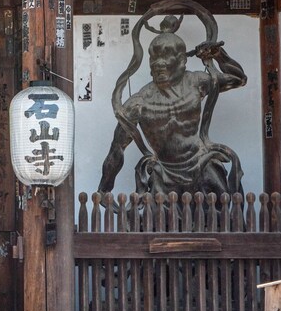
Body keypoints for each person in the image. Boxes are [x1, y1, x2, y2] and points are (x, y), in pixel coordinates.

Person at [98, 15, 247, 197]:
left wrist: (218, 55)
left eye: (167, 56)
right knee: (160, 220)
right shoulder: (139, 103)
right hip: (164, 171)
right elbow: (117, 149)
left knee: (221, 213)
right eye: (155, 57)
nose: (159, 63)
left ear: (182, 60)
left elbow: (239, 79)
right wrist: (104, 190)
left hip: (201, 162)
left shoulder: (195, 82)